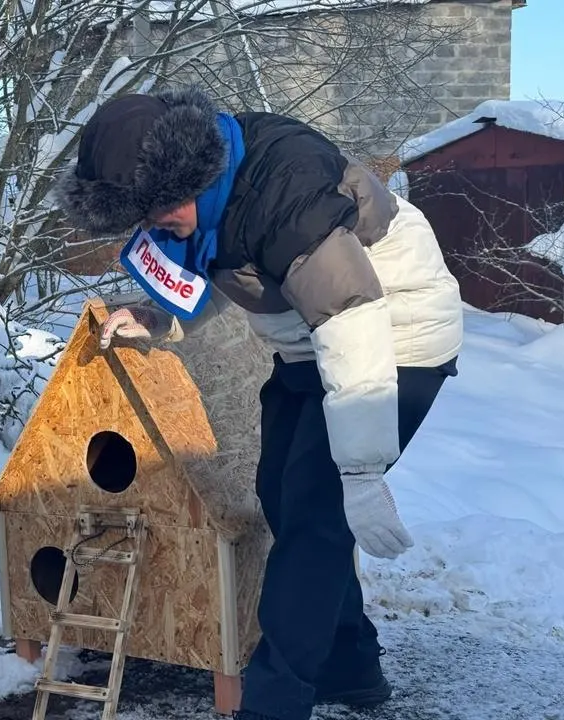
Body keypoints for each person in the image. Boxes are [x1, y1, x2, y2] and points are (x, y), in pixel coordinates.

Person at [52, 86, 464, 720]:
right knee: (280, 492)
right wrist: (158, 316)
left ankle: (274, 703)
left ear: (185, 177)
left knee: (313, 518)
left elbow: (350, 317)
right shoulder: (214, 184)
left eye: (156, 213)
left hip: (392, 333)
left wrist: (361, 471)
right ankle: (349, 666)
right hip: (310, 343)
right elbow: (230, 264)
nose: (154, 228)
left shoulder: (284, 190)